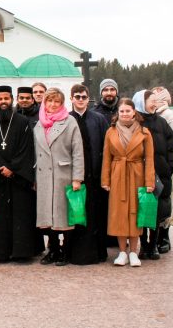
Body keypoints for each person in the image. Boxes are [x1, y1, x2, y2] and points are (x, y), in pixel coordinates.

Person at [0, 86, 42, 262]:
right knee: (0, 217)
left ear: (12, 100)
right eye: (0, 99)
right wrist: (1, 166)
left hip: (19, 179)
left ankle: (22, 252)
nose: (3, 102)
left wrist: (13, 168)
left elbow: (27, 149)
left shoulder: (23, 122)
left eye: (6, 99)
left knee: (21, 216)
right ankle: (1, 252)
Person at [101, 98, 155, 267]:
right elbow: (106, 157)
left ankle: (133, 251)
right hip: (118, 175)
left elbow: (150, 159)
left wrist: (149, 181)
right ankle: (122, 252)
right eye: (122, 111)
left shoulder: (144, 132)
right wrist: (105, 179)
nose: (124, 114)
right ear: (118, 113)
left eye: (128, 111)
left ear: (134, 112)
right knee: (119, 214)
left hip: (137, 174)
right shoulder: (111, 132)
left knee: (134, 213)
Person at [34, 88, 84, 266]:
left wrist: (77, 178)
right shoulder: (39, 123)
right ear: (44, 103)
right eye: (50, 101)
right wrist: (35, 179)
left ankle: (65, 250)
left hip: (63, 174)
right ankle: (53, 249)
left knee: (64, 216)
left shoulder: (69, 121)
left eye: (57, 101)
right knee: (48, 217)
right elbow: (35, 153)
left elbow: (77, 151)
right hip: (44, 176)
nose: (53, 105)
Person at [67, 84, 110, 265]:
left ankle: (98, 253)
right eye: (77, 97)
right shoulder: (67, 119)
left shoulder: (99, 119)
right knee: (76, 214)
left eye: (84, 97)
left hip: (95, 174)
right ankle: (74, 253)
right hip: (74, 176)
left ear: (88, 98)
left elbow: (106, 148)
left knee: (96, 215)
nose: (81, 100)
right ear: (71, 99)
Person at [134, 90, 173, 261]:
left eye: (155, 101)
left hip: (161, 172)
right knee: (143, 208)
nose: (154, 104)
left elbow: (170, 145)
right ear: (141, 102)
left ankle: (154, 244)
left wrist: (170, 165)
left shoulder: (162, 122)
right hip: (141, 173)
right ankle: (144, 244)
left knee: (157, 210)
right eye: (151, 100)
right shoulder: (136, 123)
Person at [151, 86, 173, 254]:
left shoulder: (168, 116)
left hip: (166, 165)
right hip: (153, 165)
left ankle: (165, 235)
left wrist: (163, 154)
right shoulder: (151, 116)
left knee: (168, 199)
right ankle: (155, 235)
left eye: (155, 98)